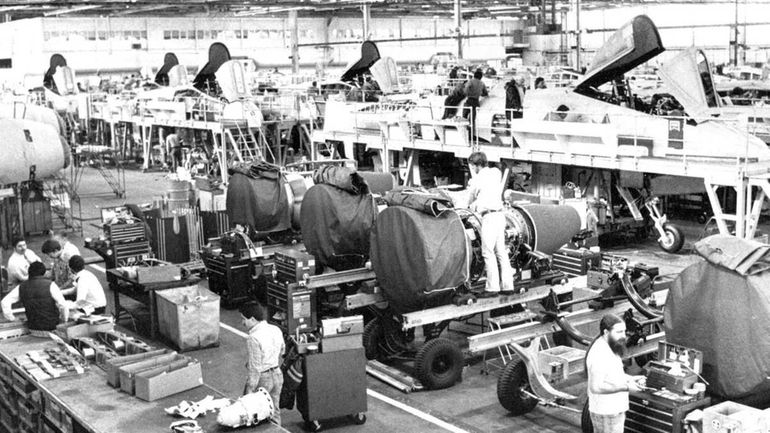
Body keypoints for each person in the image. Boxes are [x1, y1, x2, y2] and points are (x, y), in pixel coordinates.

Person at [585, 314, 646, 433]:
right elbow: (596, 387)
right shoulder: (599, 353)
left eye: (624, 331)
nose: (623, 336)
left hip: (614, 409)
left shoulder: (611, 346)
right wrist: (626, 387)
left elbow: (612, 375)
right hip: (606, 413)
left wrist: (631, 379)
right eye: (618, 332)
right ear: (606, 332)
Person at [467, 151, 514, 297]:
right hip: (501, 216)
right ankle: (508, 286)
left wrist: (467, 205)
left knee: (488, 252)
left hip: (489, 218)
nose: (472, 169)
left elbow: (469, 197)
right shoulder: (496, 172)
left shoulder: (477, 179)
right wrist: (478, 202)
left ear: (476, 165)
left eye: (472, 166)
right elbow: (487, 193)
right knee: (501, 252)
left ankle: (492, 288)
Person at [241, 302, 285, 425]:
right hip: (277, 374)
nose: (242, 323)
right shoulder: (275, 329)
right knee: (274, 410)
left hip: (263, 378)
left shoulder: (253, 337)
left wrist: (249, 391)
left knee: (254, 414)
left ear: (253, 319)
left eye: (244, 319)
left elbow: (255, 368)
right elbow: (283, 350)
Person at [1, 262, 67, 336]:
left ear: (29, 272)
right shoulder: (51, 285)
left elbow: (4, 302)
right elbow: (63, 305)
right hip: (52, 328)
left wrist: (12, 318)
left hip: (33, 329)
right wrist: (64, 320)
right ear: (44, 272)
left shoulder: (21, 286)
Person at [464, 69, 488, 137]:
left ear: (474, 75)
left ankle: (464, 133)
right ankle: (471, 134)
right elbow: (485, 93)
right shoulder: (482, 83)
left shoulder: (470, 81)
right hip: (476, 102)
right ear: (481, 77)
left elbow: (466, 90)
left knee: (464, 117)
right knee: (472, 120)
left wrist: (468, 94)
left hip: (469, 101)